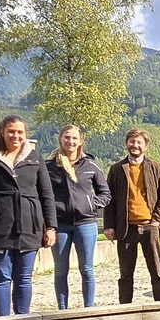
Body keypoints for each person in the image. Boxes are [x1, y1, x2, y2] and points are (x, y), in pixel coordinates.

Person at [0, 115, 56, 316]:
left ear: (25, 135)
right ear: (2, 132)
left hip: (29, 226)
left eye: (20, 132)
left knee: (24, 277)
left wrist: (50, 227)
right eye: (11, 131)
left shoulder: (34, 156)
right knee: (1, 277)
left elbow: (46, 194)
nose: (16, 136)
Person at [104, 129, 160, 304]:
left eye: (139, 142)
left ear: (146, 146)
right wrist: (109, 226)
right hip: (126, 227)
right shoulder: (117, 169)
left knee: (157, 272)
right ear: (126, 143)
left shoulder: (156, 167)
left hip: (150, 227)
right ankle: (125, 309)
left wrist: (156, 220)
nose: (135, 145)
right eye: (132, 142)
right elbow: (109, 199)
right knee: (126, 274)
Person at [47, 124, 111, 309]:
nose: (70, 141)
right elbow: (42, 195)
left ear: (81, 141)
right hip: (60, 225)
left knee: (87, 269)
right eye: (67, 137)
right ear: (60, 139)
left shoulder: (90, 165)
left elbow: (105, 193)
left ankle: (88, 309)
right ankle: (62, 310)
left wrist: (91, 205)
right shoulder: (49, 167)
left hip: (86, 224)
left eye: (74, 138)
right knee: (60, 270)